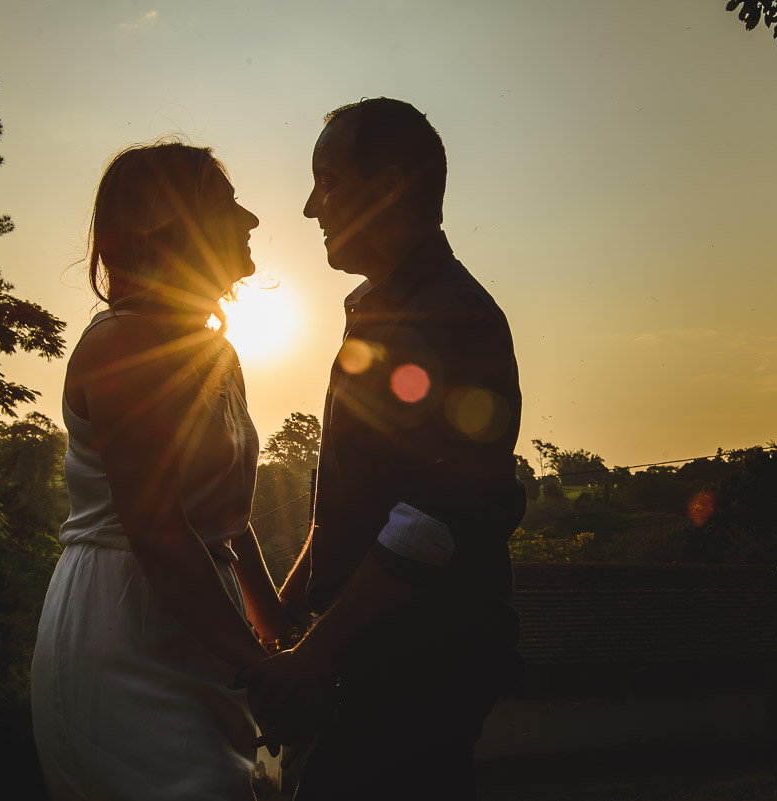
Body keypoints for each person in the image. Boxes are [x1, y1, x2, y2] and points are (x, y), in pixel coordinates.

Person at [238, 98, 526, 800]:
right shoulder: (379, 310)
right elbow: (346, 508)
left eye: (327, 179)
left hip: (418, 675)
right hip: (370, 671)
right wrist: (287, 620)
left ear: (391, 185)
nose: (311, 206)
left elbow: (428, 523)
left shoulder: (449, 316)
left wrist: (313, 657)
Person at [31, 141, 290, 800]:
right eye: (228, 206)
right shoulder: (121, 344)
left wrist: (284, 644)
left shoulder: (219, 353)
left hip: (201, 610)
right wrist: (260, 668)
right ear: (169, 226)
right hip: (126, 617)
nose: (252, 220)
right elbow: (157, 533)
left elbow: (228, 522)